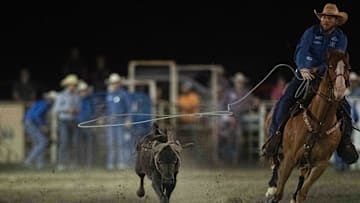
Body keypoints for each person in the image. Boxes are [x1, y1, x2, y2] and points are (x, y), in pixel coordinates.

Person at [262, 3, 359, 164]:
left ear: (336, 21)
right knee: (286, 100)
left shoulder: (341, 38)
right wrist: (303, 68)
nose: (326, 20)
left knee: (345, 108)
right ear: (321, 18)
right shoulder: (311, 32)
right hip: (304, 75)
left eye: (330, 18)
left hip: (327, 77)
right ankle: (274, 137)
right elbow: (301, 51)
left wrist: (318, 69)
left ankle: (345, 143)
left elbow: (338, 60)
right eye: (324, 17)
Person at [23, 90, 57, 169]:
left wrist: (42, 125)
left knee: (38, 143)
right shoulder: (45, 104)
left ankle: (40, 165)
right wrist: (42, 126)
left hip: (29, 122)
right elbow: (36, 115)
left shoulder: (43, 103)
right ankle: (28, 161)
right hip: (31, 122)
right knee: (43, 142)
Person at [105, 73, 132, 170]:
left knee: (121, 143)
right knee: (111, 143)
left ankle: (122, 162)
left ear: (119, 83)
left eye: (116, 83)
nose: (115, 85)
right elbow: (107, 109)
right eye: (113, 83)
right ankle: (111, 163)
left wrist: (128, 119)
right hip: (110, 122)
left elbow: (129, 108)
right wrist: (104, 117)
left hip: (121, 121)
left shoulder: (123, 94)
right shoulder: (109, 95)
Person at [53, 74, 81, 170]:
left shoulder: (77, 96)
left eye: (74, 85)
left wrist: (75, 110)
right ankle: (62, 163)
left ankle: (73, 163)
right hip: (64, 120)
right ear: (67, 85)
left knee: (74, 142)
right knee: (64, 142)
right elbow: (56, 109)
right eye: (71, 85)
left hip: (73, 121)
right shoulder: (60, 95)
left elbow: (79, 108)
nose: (72, 87)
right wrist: (67, 109)